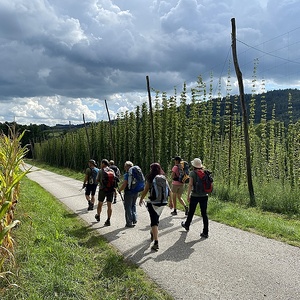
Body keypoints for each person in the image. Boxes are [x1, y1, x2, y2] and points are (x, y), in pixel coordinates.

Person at [139, 163, 171, 251]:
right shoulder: (164, 178)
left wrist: (141, 199)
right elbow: (170, 191)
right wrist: (171, 202)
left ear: (152, 169)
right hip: (163, 202)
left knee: (154, 222)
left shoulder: (150, 178)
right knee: (155, 220)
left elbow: (145, 190)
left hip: (152, 202)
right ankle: (152, 232)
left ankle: (156, 242)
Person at [181, 158, 209, 238]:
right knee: (204, 214)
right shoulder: (205, 172)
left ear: (194, 165)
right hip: (204, 196)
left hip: (195, 196)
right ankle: (205, 232)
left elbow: (190, 185)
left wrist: (188, 195)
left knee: (191, 212)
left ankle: (187, 225)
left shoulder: (192, 173)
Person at [118, 161, 144, 228]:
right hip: (135, 191)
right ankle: (134, 218)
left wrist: (119, 190)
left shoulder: (127, 174)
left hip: (128, 192)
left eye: (125, 166)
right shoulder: (136, 173)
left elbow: (125, 184)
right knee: (133, 205)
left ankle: (129, 222)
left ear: (127, 166)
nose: (124, 167)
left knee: (128, 206)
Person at [95, 159, 115, 226]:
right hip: (110, 190)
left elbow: (97, 180)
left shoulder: (100, 171)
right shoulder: (111, 171)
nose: (100, 165)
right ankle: (108, 220)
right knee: (109, 205)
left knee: (100, 203)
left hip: (102, 189)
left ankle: (98, 215)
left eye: (101, 163)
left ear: (103, 164)